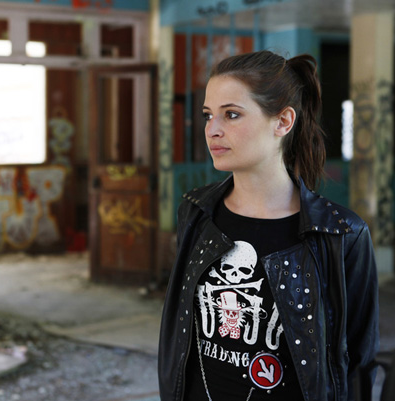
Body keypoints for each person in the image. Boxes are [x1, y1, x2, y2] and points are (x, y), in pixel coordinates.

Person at [157, 50, 379, 401]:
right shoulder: (197, 212)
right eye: (208, 115)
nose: (212, 130)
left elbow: (357, 365)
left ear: (283, 122)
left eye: (231, 114)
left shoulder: (340, 235)